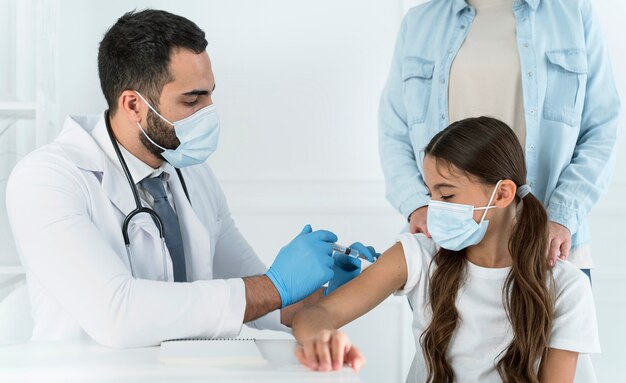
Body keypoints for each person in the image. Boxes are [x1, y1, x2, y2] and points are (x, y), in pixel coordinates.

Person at [5, 9, 375, 347]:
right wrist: (275, 287)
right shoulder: (47, 180)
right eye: (192, 100)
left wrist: (326, 296)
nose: (209, 113)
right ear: (133, 104)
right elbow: (117, 316)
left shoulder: (193, 176)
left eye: (210, 95)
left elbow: (264, 304)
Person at [292, 117, 599, 382]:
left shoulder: (566, 286)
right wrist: (322, 336)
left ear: (503, 193)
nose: (434, 209)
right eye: (431, 194)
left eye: (447, 195)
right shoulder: (418, 255)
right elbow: (314, 316)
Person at [379, 0, 620, 277]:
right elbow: (393, 133)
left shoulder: (573, 13)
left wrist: (561, 216)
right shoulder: (419, 23)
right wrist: (417, 204)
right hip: (448, 248)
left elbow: (600, 129)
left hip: (548, 247)